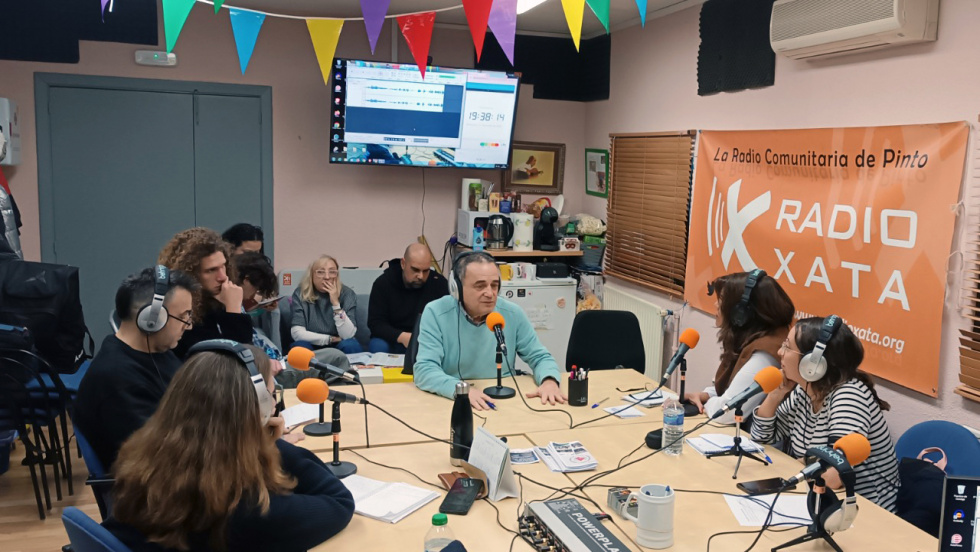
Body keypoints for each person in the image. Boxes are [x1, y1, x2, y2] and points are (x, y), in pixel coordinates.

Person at [103, 343, 352, 551]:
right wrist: (270, 443)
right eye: (272, 395)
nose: (275, 406)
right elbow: (339, 502)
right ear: (258, 409)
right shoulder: (247, 508)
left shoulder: (144, 464)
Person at [751, 316, 900, 512]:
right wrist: (775, 394)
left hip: (864, 511)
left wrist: (803, 462)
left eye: (787, 347)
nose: (780, 352)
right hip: (818, 497)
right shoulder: (805, 390)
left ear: (812, 364)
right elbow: (762, 438)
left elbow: (833, 477)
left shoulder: (849, 397)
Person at [73, 267, 197, 470]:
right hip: (159, 481)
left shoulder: (156, 351)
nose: (188, 325)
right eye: (184, 316)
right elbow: (161, 459)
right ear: (152, 320)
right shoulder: (117, 381)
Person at [414, 251, 565, 410]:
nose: (490, 293)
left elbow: (540, 357)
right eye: (480, 286)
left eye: (494, 285)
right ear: (456, 288)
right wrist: (461, 390)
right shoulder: (435, 313)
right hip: (455, 402)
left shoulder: (512, 313)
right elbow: (425, 370)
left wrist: (549, 381)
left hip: (504, 402)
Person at [684, 269, 794, 424]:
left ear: (741, 314)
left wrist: (709, 403)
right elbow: (732, 386)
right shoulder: (755, 337)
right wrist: (706, 395)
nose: (716, 304)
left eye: (721, 300)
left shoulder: (765, 355)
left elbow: (726, 412)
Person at [158, 227, 254, 360]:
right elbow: (232, 364)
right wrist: (233, 312)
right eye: (211, 270)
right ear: (191, 274)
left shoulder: (216, 299)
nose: (223, 277)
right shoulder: (180, 313)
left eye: (223, 266)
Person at [367, 243, 448, 353]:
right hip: (392, 339)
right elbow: (376, 324)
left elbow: (447, 322)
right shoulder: (383, 283)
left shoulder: (439, 283)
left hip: (425, 340)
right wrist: (402, 337)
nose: (421, 276)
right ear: (403, 264)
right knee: (378, 346)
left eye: (426, 271)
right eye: (415, 270)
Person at [290, 255, 364, 355]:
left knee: (351, 345)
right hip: (312, 342)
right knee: (299, 348)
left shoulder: (347, 294)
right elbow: (297, 333)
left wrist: (336, 304)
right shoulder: (300, 293)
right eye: (320, 272)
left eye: (332, 272)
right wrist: (329, 339)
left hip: (340, 343)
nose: (327, 277)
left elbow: (348, 335)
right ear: (312, 275)